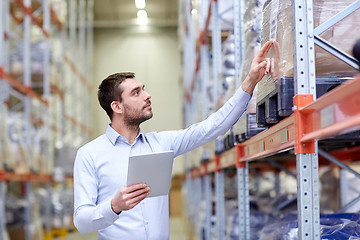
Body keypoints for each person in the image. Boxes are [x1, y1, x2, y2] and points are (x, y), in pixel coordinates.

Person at [73, 40, 273, 240]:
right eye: (136, 93)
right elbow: (81, 221)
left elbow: (214, 126)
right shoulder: (90, 154)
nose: (147, 95)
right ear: (117, 107)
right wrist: (114, 206)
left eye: (143, 89)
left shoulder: (161, 144)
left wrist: (250, 81)